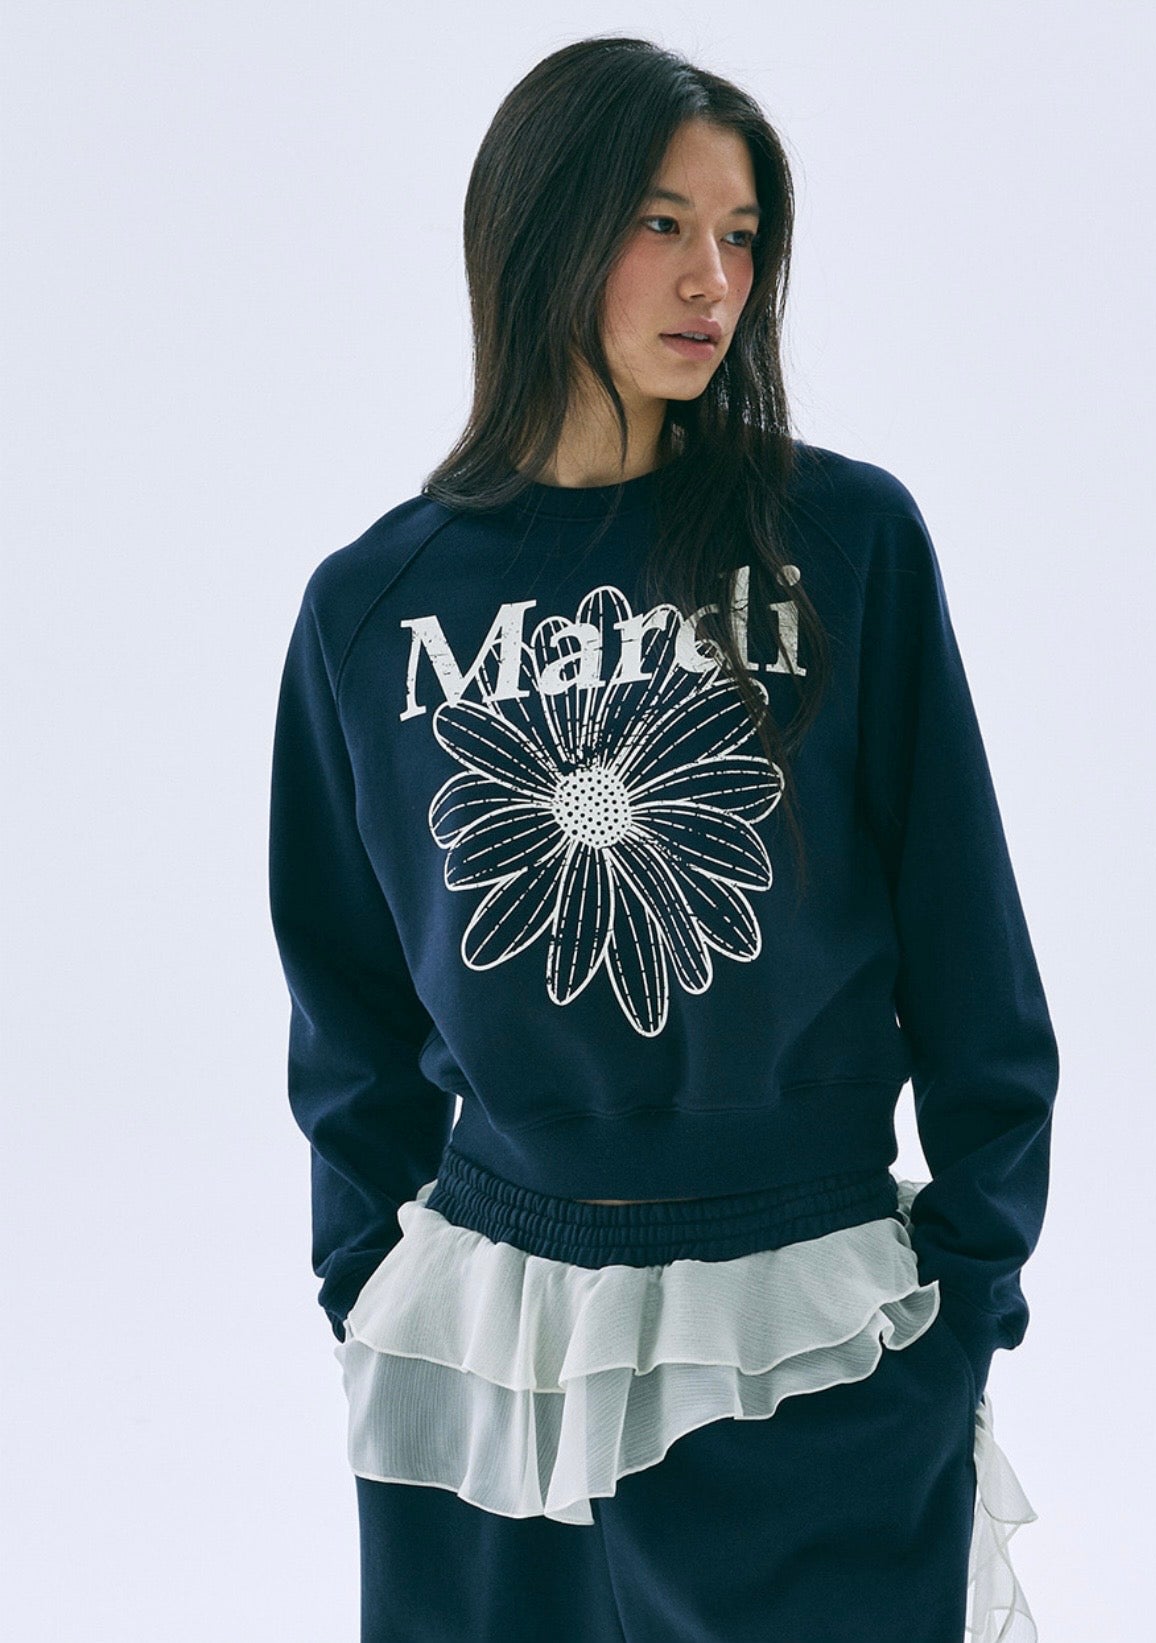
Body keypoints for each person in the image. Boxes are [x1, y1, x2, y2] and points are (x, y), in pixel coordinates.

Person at [267, 33, 1058, 1643]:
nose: (716, 280)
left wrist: (963, 1306)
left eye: (743, 235)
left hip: (807, 1330)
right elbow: (346, 1013)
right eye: (662, 222)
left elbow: (975, 961)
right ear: (540, 229)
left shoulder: (843, 542)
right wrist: (368, 1293)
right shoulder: (372, 608)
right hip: (496, 1358)